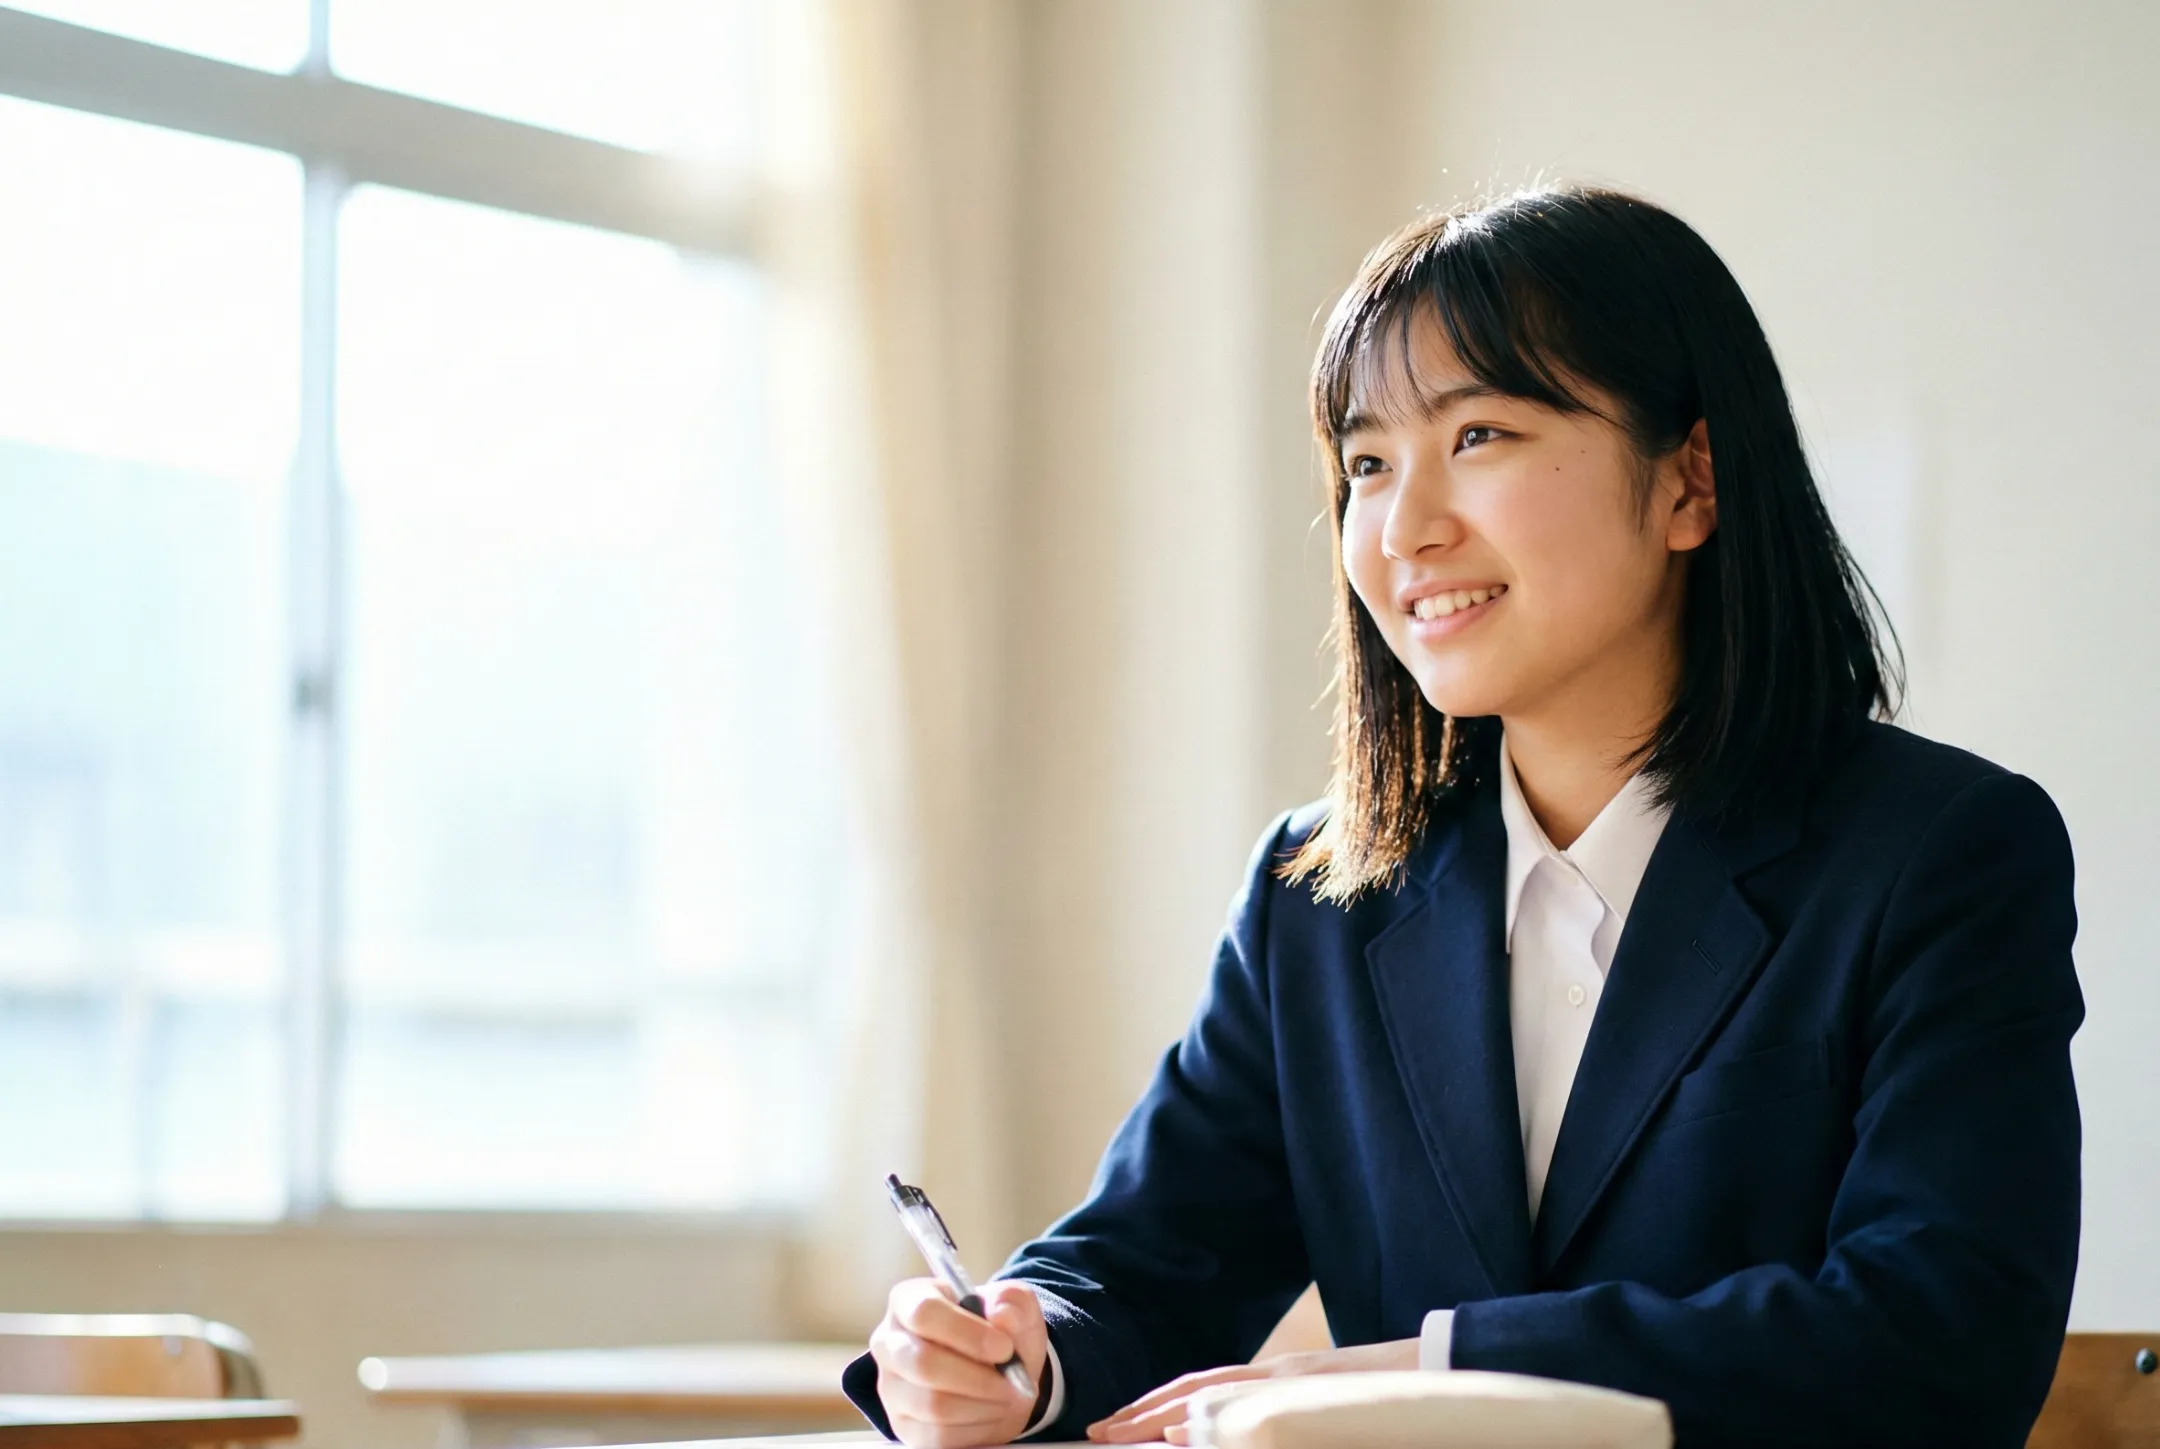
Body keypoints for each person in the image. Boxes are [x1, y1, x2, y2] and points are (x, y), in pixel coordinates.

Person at [841, 185, 2083, 1448]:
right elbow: (1151, 1259)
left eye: (1480, 435)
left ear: (1691, 483)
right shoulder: (1317, 893)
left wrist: (1435, 1368)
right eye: (1368, 464)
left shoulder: (1942, 854)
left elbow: (1943, 1333)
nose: (1405, 528)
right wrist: (1011, 1353)